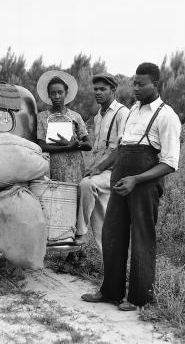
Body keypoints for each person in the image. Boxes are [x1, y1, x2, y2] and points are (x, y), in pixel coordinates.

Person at [81, 63, 181, 311]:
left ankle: (139, 298)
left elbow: (169, 163)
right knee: (112, 234)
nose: (135, 88)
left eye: (141, 84)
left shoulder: (167, 116)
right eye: (134, 83)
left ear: (155, 85)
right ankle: (111, 292)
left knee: (142, 238)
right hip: (120, 180)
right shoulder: (133, 111)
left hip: (144, 185)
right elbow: (122, 149)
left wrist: (136, 179)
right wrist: (102, 167)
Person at [76, 73, 129, 251]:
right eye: (96, 89)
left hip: (115, 171)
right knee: (102, 224)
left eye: (103, 89)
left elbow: (122, 148)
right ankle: (110, 269)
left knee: (86, 185)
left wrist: (99, 168)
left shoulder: (122, 113)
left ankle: (81, 232)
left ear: (113, 90)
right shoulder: (99, 115)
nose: (98, 92)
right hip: (102, 170)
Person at [36, 70, 92, 185]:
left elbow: (88, 145)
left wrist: (75, 145)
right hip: (52, 165)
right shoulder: (42, 117)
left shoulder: (75, 116)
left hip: (75, 165)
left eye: (60, 92)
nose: (57, 96)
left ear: (66, 93)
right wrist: (68, 146)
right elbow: (41, 145)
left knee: (75, 197)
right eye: (53, 93)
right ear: (49, 94)